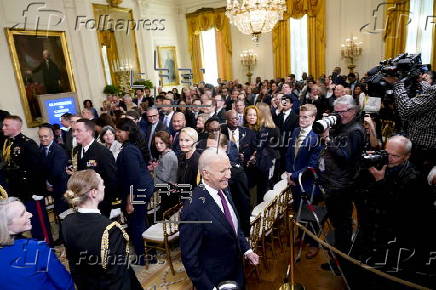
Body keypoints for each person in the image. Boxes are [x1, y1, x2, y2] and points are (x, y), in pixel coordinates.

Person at [180, 148, 259, 290]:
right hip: (215, 280)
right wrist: (210, 287)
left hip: (237, 271)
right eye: (223, 171)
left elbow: (232, 226)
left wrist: (247, 250)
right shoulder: (193, 209)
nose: (229, 175)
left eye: (229, 168)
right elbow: (190, 259)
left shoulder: (224, 189)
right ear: (206, 174)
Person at [62, 170, 142, 289]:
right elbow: (119, 277)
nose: (104, 187)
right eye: (102, 184)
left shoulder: (67, 221)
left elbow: (75, 266)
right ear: (93, 192)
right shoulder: (110, 230)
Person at [319, 95, 365, 270]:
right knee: (337, 223)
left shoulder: (355, 131)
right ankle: (338, 260)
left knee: (342, 225)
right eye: (335, 112)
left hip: (343, 185)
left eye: (341, 112)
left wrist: (328, 139)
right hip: (333, 183)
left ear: (352, 111)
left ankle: (342, 264)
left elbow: (346, 157)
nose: (338, 115)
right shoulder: (342, 125)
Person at [0, 194, 74, 290]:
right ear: (7, 225)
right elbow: (65, 284)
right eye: (22, 214)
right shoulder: (37, 248)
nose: (30, 214)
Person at [1, 116, 51, 244]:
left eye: (6, 125)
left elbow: (39, 169)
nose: (3, 128)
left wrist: (39, 192)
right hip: (18, 191)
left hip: (31, 192)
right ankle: (34, 246)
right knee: (26, 223)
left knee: (38, 222)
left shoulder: (27, 144)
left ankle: (46, 246)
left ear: (16, 127)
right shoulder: (9, 142)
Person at [285, 104, 323, 259]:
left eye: (306, 117)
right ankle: (302, 236)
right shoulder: (295, 131)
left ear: (313, 118)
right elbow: (289, 154)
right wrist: (288, 173)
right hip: (294, 181)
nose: (302, 119)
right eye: (301, 116)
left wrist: (293, 176)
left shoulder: (316, 137)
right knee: (298, 211)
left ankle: (314, 244)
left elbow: (312, 165)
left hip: (308, 183)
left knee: (310, 215)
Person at [115, 118, 155, 266]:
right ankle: (149, 254)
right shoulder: (130, 146)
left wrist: (130, 200)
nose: (116, 134)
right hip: (141, 189)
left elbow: (133, 177)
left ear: (128, 132)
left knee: (136, 224)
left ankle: (143, 257)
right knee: (141, 222)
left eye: (119, 131)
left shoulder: (129, 151)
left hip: (137, 192)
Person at [70, 119, 120, 218]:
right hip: (84, 202)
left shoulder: (102, 152)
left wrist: (114, 204)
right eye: (73, 131)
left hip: (102, 203)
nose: (75, 134)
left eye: (78, 130)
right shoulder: (76, 151)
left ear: (89, 132)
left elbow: (112, 179)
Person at [38, 125, 70, 243]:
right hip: (53, 187)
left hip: (62, 187)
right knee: (58, 212)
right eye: (41, 137)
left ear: (52, 136)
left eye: (45, 136)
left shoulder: (58, 149)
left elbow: (57, 170)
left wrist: (49, 183)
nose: (43, 139)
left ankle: (66, 238)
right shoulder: (41, 148)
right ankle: (63, 237)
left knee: (63, 213)